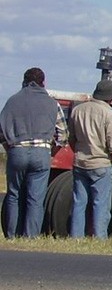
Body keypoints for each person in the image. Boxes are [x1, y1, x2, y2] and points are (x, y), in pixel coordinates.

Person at [0, 67, 68, 238]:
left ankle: (11, 235)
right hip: (41, 152)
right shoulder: (52, 103)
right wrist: (51, 152)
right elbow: (63, 135)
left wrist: (10, 148)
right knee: (35, 198)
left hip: (17, 150)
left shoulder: (12, 101)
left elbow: (1, 131)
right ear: (43, 82)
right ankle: (30, 236)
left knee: (14, 194)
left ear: (24, 81)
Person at [68, 79, 112, 238]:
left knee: (79, 202)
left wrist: (80, 152)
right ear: (111, 98)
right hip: (101, 164)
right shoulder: (109, 114)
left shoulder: (78, 110)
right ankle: (99, 238)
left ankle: (75, 238)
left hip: (80, 162)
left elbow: (72, 138)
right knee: (100, 204)